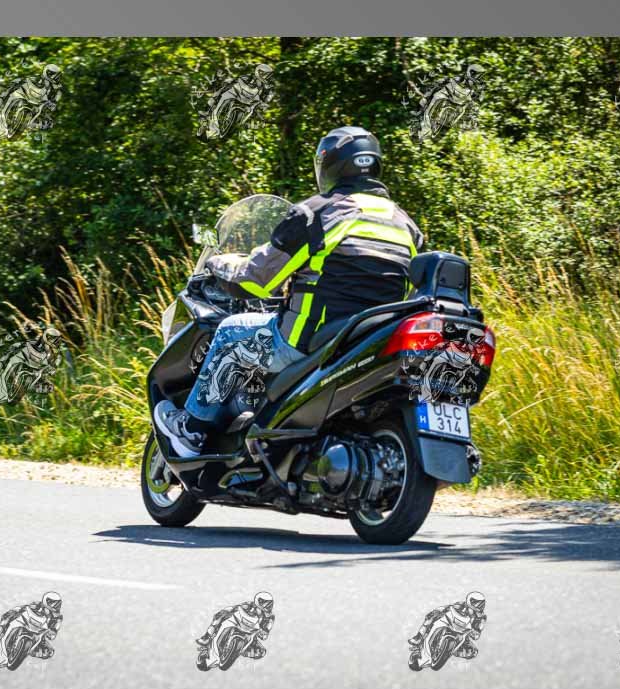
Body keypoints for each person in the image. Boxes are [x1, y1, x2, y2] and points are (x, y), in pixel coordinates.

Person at [154, 126, 424, 457]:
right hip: (368, 341)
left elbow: (257, 280)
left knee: (230, 333)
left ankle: (192, 429)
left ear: (329, 166)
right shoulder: (407, 226)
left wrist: (220, 265)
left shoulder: (320, 213)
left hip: (307, 343)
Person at [408, 591, 487, 663]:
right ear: (470, 601)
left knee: (473, 652)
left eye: (481, 604)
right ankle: (419, 637)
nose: (478, 606)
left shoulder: (481, 617)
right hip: (450, 624)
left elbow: (476, 635)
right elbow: (446, 608)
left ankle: (449, 652)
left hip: (462, 634)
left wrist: (473, 632)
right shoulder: (460, 605)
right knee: (432, 615)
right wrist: (438, 611)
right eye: (476, 603)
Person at [196, 592, 275, 661]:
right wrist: (227, 611)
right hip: (238, 625)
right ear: (258, 600)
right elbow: (235, 608)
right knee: (221, 615)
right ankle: (207, 637)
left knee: (261, 652)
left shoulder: (270, 617)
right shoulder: (249, 604)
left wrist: (263, 633)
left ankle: (237, 652)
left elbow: (266, 632)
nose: (267, 605)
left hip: (250, 634)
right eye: (265, 602)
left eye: (269, 603)